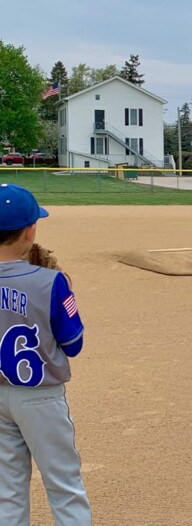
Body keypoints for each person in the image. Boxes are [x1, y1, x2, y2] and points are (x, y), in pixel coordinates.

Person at [0, 184, 91, 525]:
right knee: (64, 483)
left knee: (7, 488)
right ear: (30, 231)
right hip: (41, 398)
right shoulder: (51, 281)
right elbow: (74, 344)